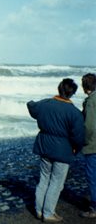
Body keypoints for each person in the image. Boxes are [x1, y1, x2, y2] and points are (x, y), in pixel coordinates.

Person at [27, 78, 85, 222]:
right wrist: (76, 149)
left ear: (59, 89)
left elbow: (31, 105)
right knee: (56, 182)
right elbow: (78, 137)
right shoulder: (74, 113)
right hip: (63, 150)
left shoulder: (45, 104)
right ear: (72, 93)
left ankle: (39, 210)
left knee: (44, 179)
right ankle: (48, 213)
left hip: (44, 145)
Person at [81, 73, 96, 218]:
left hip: (93, 145)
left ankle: (94, 208)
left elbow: (89, 126)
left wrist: (83, 141)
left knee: (92, 177)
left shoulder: (91, 101)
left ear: (85, 87)